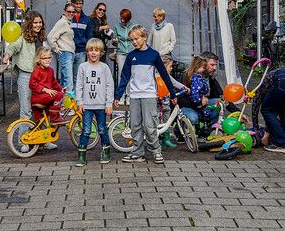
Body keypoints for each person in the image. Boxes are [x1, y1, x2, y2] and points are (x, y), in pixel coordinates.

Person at [114, 25, 177, 164]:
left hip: (149, 95)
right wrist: (117, 96)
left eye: (136, 39)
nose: (134, 42)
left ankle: (156, 151)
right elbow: (124, 77)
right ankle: (137, 153)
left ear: (144, 37)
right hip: (134, 96)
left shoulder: (153, 55)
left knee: (149, 125)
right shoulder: (131, 56)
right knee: (135, 125)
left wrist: (172, 93)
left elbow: (165, 75)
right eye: (132, 40)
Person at [75, 38, 114, 167]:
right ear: (87, 52)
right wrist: (79, 102)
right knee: (86, 130)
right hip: (86, 106)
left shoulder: (104, 68)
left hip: (101, 106)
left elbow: (109, 86)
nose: (93, 53)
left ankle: (106, 151)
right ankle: (81, 155)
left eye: (96, 50)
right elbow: (79, 85)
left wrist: (109, 104)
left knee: (102, 129)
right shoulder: (82, 67)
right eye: (91, 50)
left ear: (101, 52)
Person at [2, 10, 46, 120]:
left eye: (40, 22)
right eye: (35, 23)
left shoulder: (41, 38)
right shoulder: (22, 38)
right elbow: (13, 46)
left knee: (39, 110)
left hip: (40, 76)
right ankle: (23, 137)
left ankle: (38, 136)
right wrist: (7, 56)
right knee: (26, 111)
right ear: (30, 23)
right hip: (27, 76)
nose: (38, 25)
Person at [251, 67, 285, 153]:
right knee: (283, 108)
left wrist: (256, 129)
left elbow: (255, 107)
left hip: (284, 80)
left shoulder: (260, 91)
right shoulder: (268, 85)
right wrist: (267, 131)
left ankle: (281, 143)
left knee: (266, 110)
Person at [29, 46, 66, 129]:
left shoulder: (50, 70)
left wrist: (61, 88)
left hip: (45, 97)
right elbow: (32, 84)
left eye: (49, 57)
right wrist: (45, 89)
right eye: (44, 58)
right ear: (38, 59)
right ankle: (55, 119)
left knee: (40, 121)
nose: (47, 60)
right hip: (38, 97)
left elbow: (54, 83)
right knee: (58, 95)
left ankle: (39, 134)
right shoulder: (37, 71)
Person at [158, 55, 187, 149]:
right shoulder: (156, 76)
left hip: (166, 102)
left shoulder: (167, 76)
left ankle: (166, 139)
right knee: (156, 121)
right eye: (170, 66)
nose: (171, 68)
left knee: (167, 121)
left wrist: (185, 88)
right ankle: (156, 139)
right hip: (156, 103)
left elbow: (174, 83)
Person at [47, 2, 76, 92]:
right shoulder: (62, 22)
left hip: (69, 53)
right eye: (69, 11)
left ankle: (63, 103)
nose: (71, 13)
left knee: (64, 81)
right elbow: (50, 37)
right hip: (65, 53)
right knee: (68, 81)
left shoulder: (67, 23)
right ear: (64, 11)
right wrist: (56, 49)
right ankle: (68, 104)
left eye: (73, 12)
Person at [113, 9, 135, 101]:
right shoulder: (117, 27)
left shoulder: (133, 27)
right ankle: (121, 96)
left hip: (131, 52)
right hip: (121, 52)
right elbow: (114, 41)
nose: (122, 20)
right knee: (122, 74)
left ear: (128, 19)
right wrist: (115, 42)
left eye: (124, 19)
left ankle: (129, 95)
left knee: (131, 73)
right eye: (121, 18)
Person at [69, 0, 93, 79]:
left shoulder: (87, 19)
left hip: (81, 52)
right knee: (67, 77)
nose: (79, 6)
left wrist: (87, 49)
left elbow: (89, 36)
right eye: (76, 3)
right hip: (69, 51)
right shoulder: (68, 18)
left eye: (80, 3)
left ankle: (76, 92)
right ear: (72, 4)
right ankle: (67, 93)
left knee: (78, 77)